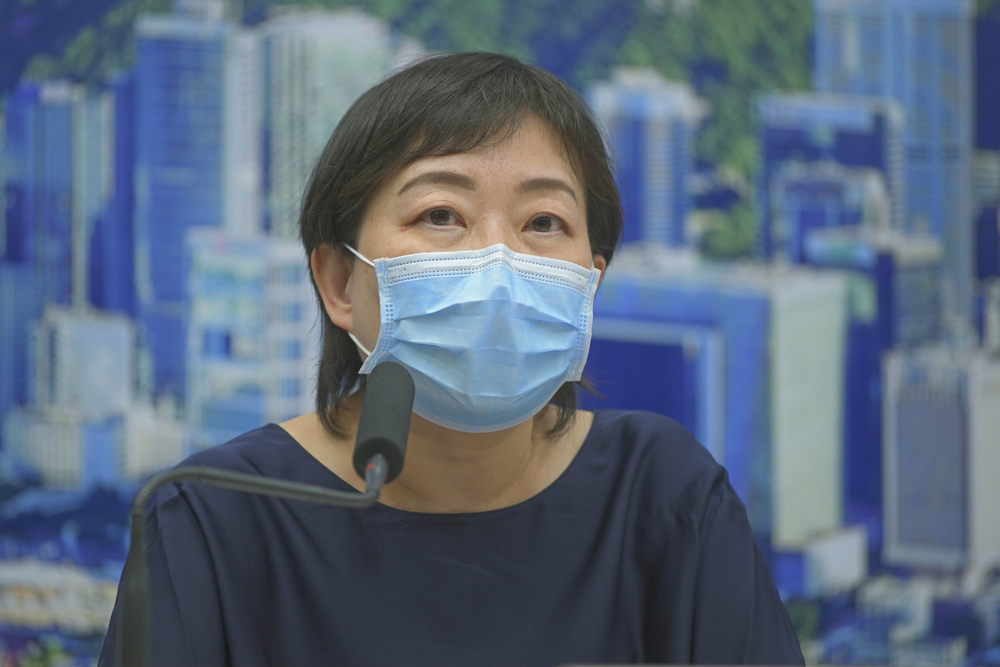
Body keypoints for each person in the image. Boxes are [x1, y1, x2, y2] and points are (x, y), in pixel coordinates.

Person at [99, 51, 804, 666]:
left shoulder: (663, 496)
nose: (496, 262)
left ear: (588, 284)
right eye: (440, 215)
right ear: (340, 282)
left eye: (543, 222)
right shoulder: (213, 515)